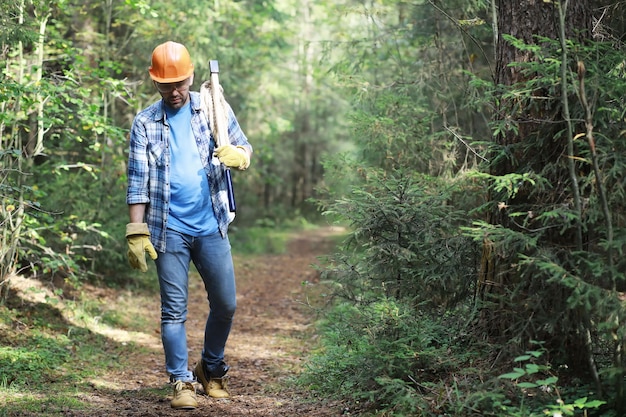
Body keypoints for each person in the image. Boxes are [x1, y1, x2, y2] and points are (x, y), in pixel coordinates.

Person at [125, 41, 252, 410]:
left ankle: (210, 369)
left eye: (180, 83)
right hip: (168, 228)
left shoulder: (212, 107)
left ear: (192, 76)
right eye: (167, 86)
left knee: (226, 303)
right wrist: (136, 231)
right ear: (155, 84)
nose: (175, 91)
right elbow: (138, 181)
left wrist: (238, 157)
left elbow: (244, 147)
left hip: (211, 222)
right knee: (173, 310)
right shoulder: (145, 122)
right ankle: (181, 381)